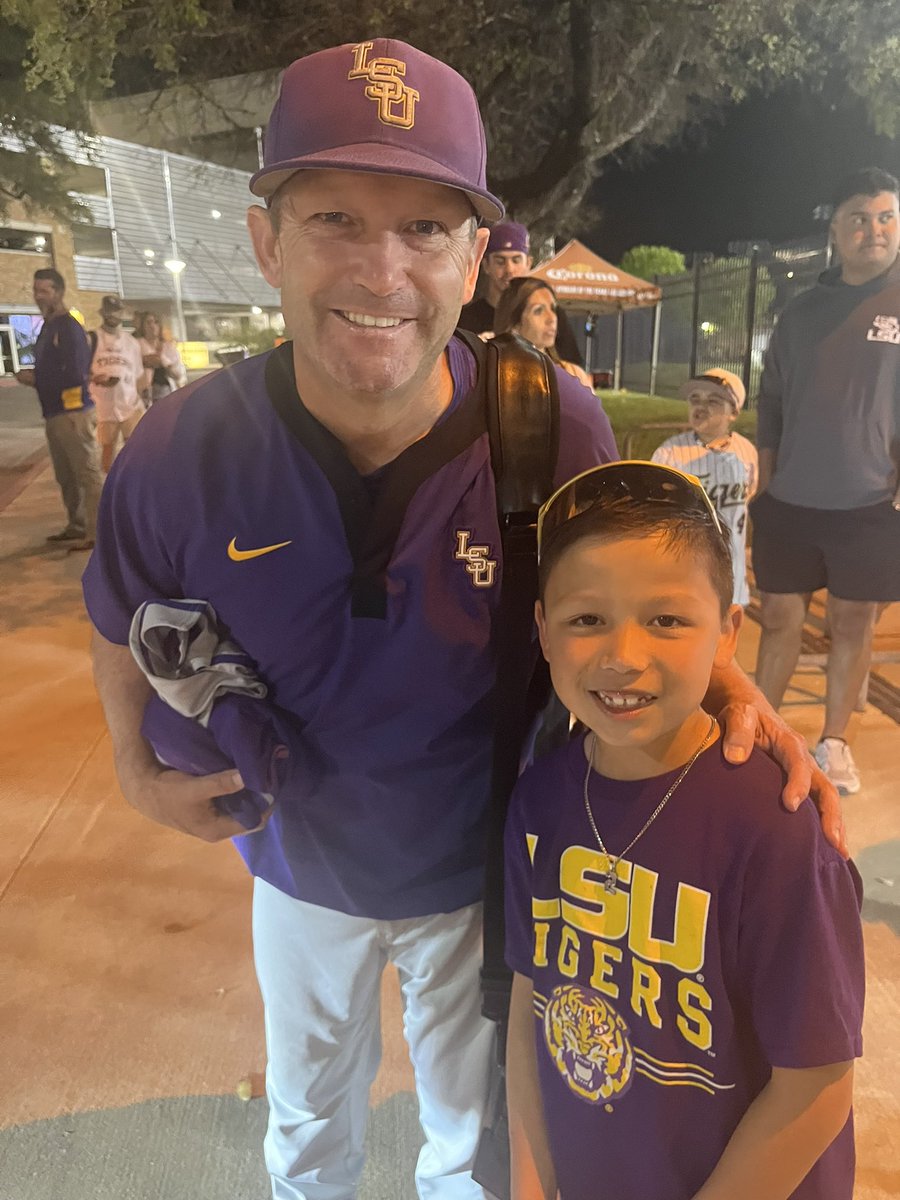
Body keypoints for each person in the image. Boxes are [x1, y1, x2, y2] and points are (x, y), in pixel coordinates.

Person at [83, 39, 840, 1200]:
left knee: (469, 1149)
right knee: (305, 1128)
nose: (382, 270)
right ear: (264, 241)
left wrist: (725, 687)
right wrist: (134, 767)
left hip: (482, 869)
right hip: (294, 860)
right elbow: (118, 606)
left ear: (477, 255)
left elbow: (629, 604)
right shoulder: (183, 448)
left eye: (427, 228)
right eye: (334, 215)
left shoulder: (552, 424)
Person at [505, 461, 864, 1200]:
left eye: (666, 619)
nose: (623, 656)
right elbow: (528, 1006)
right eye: (586, 619)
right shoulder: (540, 799)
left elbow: (820, 1082)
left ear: (729, 630)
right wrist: (530, 1183)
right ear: (543, 630)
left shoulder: (775, 829)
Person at [752, 166, 900, 796]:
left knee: (852, 624)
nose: (874, 229)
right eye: (859, 219)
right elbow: (773, 398)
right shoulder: (800, 311)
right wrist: (766, 473)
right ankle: (758, 729)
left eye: (886, 217)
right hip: (790, 500)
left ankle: (834, 743)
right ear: (835, 232)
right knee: (780, 618)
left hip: (869, 502)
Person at [14, 268, 102, 552]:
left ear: (59, 292)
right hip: (54, 413)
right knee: (66, 476)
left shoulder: (68, 327)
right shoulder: (47, 328)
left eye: (45, 290)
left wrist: (36, 379)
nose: (39, 296)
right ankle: (76, 526)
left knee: (86, 473)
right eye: (36, 290)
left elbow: (76, 373)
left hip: (73, 412)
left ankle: (97, 532)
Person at [651, 368, 757, 604]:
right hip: (683, 575)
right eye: (695, 399)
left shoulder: (747, 452)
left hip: (732, 576)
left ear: (734, 412)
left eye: (714, 401)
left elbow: (749, 493)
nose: (701, 406)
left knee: (729, 638)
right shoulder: (669, 453)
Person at [458, 220, 584, 366]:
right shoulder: (465, 319)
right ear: (486, 265)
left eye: (516, 260)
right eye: (500, 261)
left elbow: (573, 368)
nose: (509, 269)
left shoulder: (553, 316)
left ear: (528, 264)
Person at [493, 276, 594, 389]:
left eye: (553, 309)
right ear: (514, 325)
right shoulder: (494, 375)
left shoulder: (573, 375)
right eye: (538, 310)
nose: (552, 318)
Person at [89, 295, 147, 473]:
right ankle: (109, 485)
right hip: (103, 405)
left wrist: (141, 397)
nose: (113, 316)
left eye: (116, 312)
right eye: (109, 312)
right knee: (107, 448)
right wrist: (95, 378)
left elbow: (138, 373)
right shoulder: (91, 339)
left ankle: (133, 478)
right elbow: (82, 370)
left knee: (135, 446)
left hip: (129, 402)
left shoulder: (131, 342)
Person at [135, 311, 186, 402]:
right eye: (148, 322)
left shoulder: (169, 347)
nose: (152, 326)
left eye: (156, 322)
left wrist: (163, 362)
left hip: (167, 395)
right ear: (142, 326)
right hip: (144, 396)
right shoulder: (136, 345)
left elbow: (178, 374)